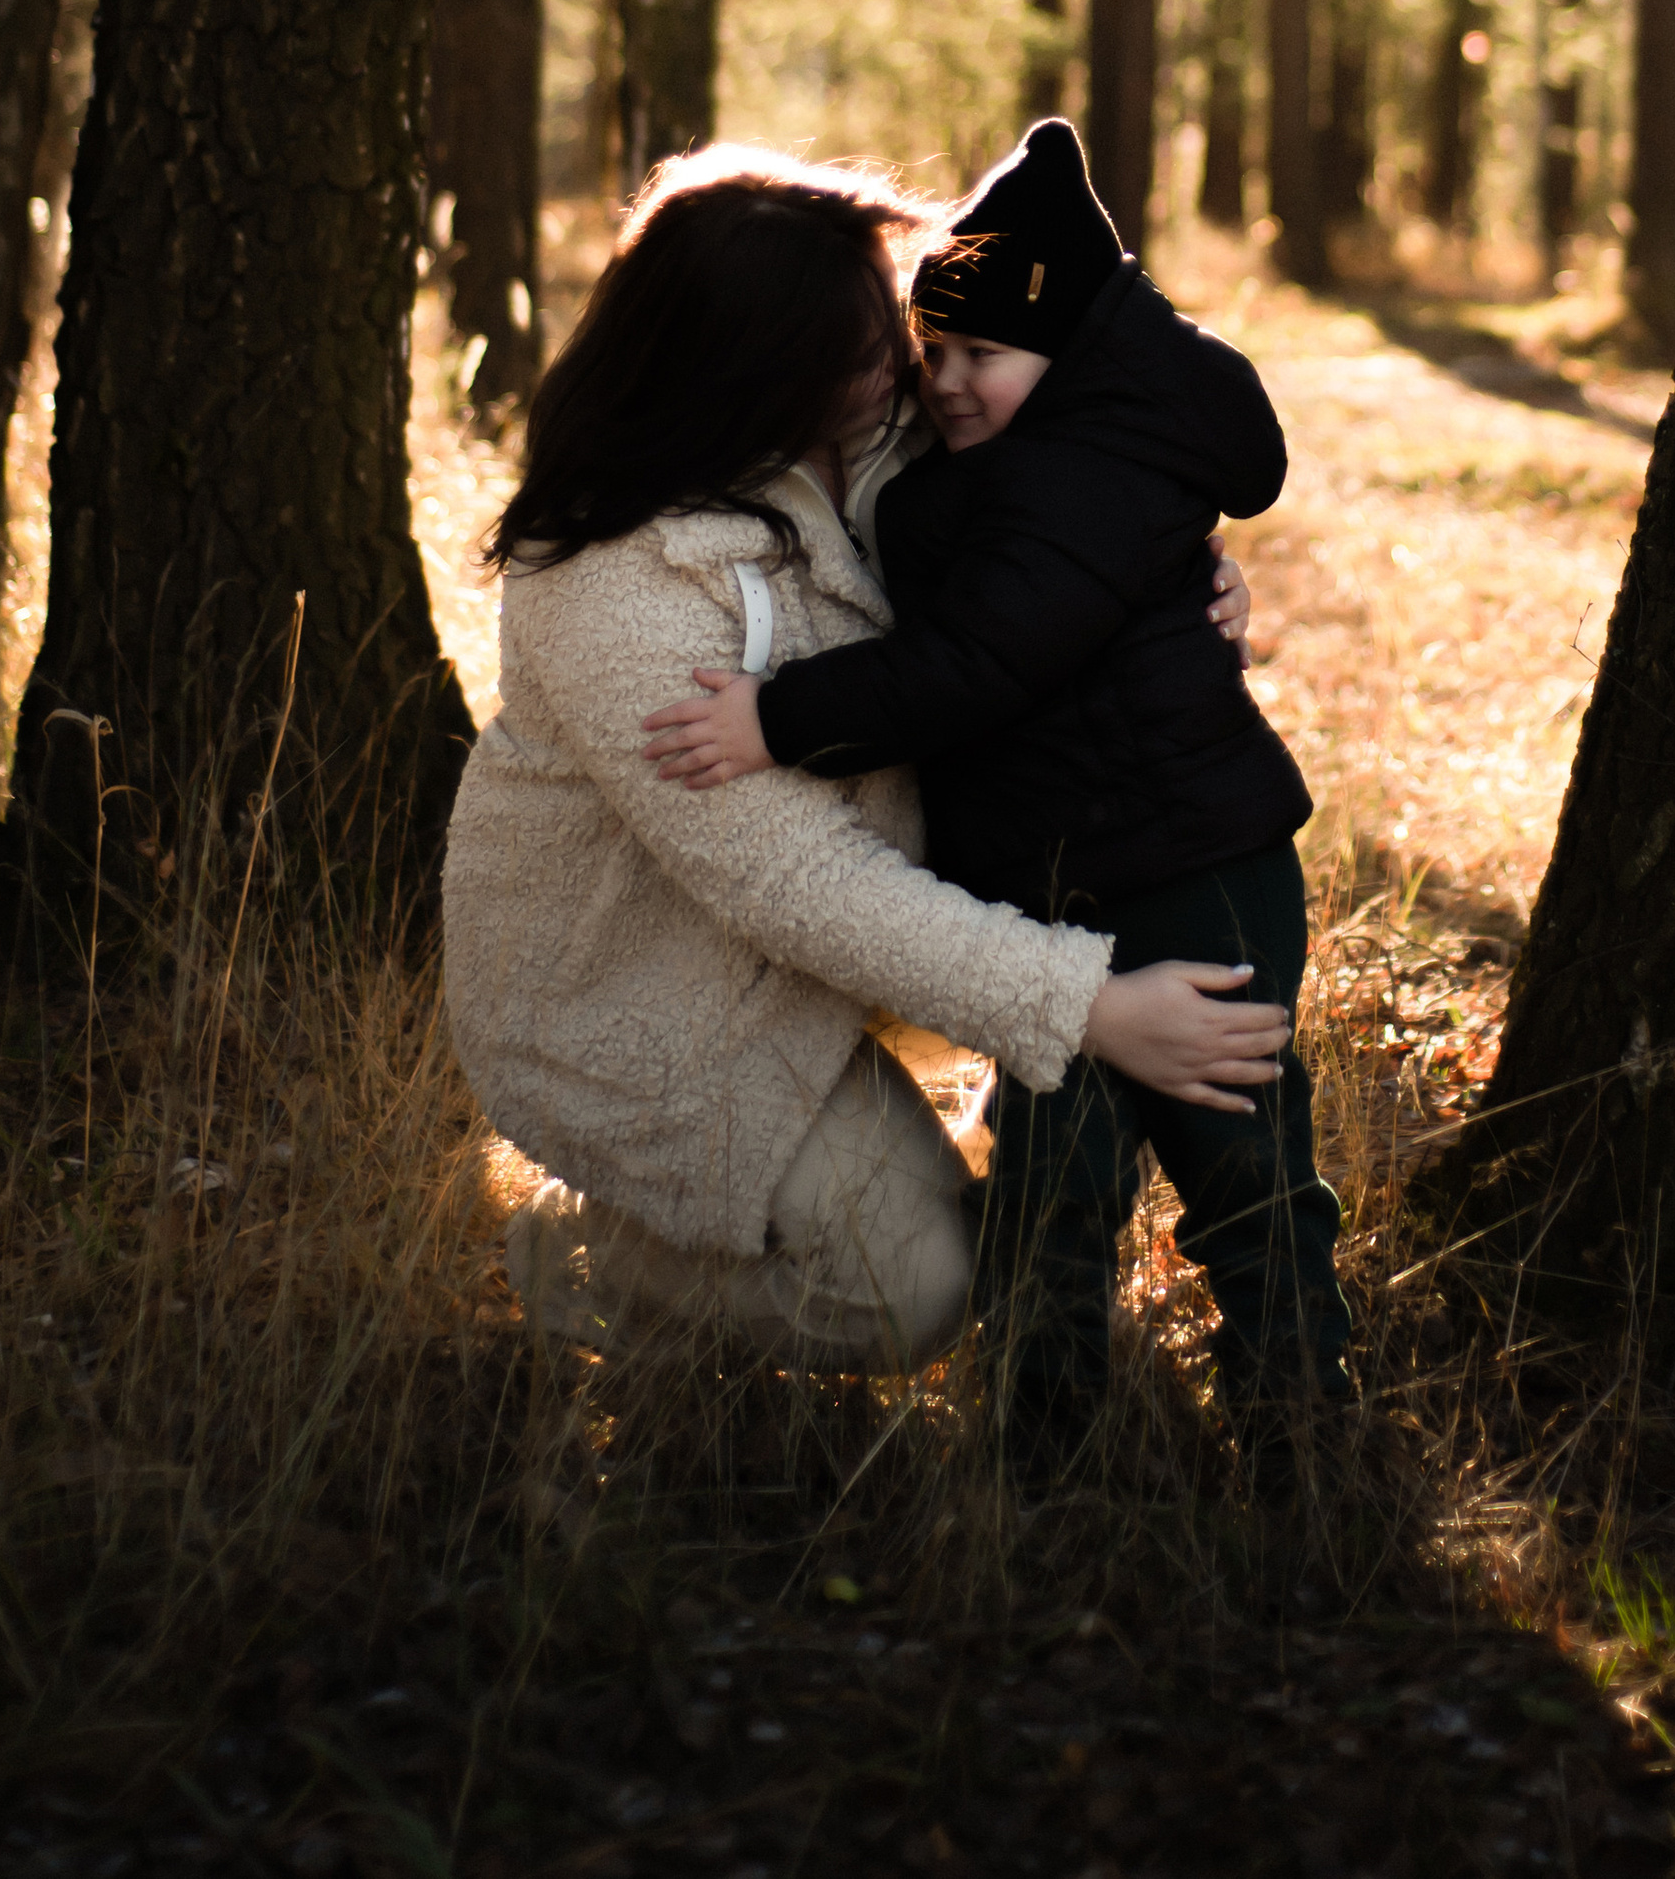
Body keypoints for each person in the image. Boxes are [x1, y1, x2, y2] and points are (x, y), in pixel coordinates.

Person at [441, 145, 1287, 1371]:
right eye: (857, 354)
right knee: (914, 1294)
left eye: (882, 327)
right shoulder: (611, 589)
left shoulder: (892, 426)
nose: (900, 364)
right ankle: (586, 1259)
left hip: (873, 936)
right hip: (659, 994)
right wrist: (1090, 1011)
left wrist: (1182, 577)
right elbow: (795, 886)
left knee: (993, 1228)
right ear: (749, 377)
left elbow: (1069, 522)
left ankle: (962, 1125)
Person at [642, 119, 1350, 1467]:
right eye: (935, 354)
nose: (949, 384)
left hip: (1197, 868)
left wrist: (775, 719)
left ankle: (1306, 1418)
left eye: (983, 355)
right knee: (1053, 1173)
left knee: (1244, 1159)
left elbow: (977, 662)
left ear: (1069, 348)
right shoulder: (1038, 462)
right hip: (1066, 882)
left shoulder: (1086, 477)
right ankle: (1042, 1434)